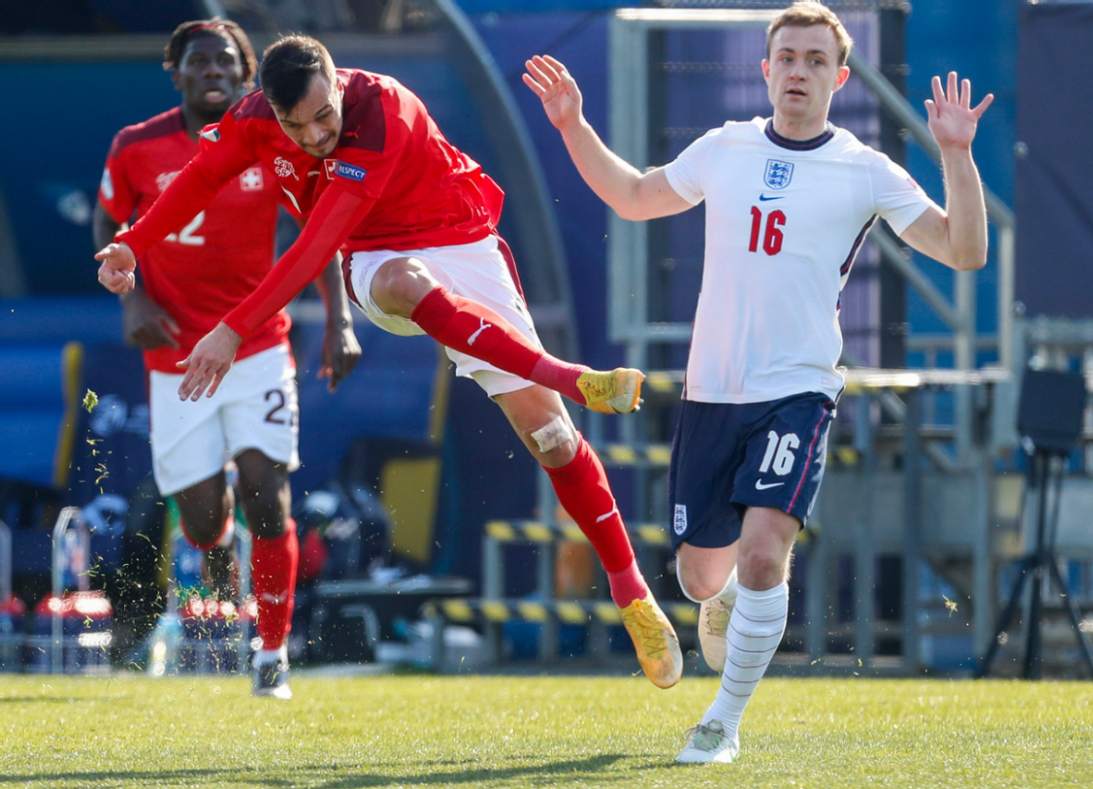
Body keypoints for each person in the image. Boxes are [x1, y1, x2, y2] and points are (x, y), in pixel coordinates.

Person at [96, 34, 683, 689]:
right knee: (405, 282)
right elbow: (215, 184)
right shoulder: (254, 118)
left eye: (323, 117)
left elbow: (312, 243)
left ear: (338, 87)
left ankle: (634, 593)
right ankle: (569, 376)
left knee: (549, 437)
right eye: (297, 125)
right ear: (273, 109)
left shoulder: (383, 109)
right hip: (376, 256)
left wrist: (233, 329)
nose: (315, 136)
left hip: (461, 239)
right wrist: (134, 242)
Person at [525, 0, 992, 762]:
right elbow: (635, 196)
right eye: (788, 57)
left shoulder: (866, 168)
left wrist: (957, 154)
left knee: (766, 552)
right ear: (765, 68)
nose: (799, 71)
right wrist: (573, 123)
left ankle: (722, 721)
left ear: (840, 77)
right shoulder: (725, 147)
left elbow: (964, 250)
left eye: (815, 60)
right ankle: (726, 599)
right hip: (712, 391)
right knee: (698, 573)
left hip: (799, 388)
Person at [93, 19, 362, 699]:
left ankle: (271, 654)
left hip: (257, 344)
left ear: (246, 75)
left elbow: (318, 234)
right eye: (198, 60)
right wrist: (133, 302)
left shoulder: (277, 139)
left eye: (226, 61)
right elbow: (109, 220)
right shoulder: (135, 146)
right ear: (175, 71)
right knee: (208, 519)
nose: (213, 70)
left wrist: (340, 323)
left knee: (266, 496)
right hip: (175, 356)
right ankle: (214, 549)